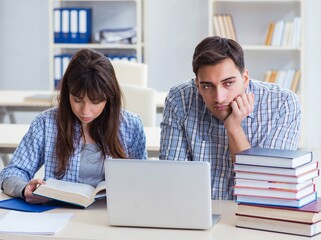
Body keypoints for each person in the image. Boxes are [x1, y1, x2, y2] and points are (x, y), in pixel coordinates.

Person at [159, 36, 301, 200]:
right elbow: (173, 180)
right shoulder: (180, 99)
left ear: (245, 79)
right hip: (195, 213)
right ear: (197, 84)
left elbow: (265, 185)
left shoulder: (282, 104)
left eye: (228, 83)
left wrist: (233, 127)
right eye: (207, 86)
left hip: (254, 214)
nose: (219, 97)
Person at [0, 49, 147, 203]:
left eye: (96, 102)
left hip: (110, 214)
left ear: (109, 98)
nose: (85, 111)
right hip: (58, 215)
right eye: (77, 100)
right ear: (67, 93)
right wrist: (24, 189)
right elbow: (11, 172)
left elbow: (142, 181)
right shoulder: (46, 123)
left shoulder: (131, 126)